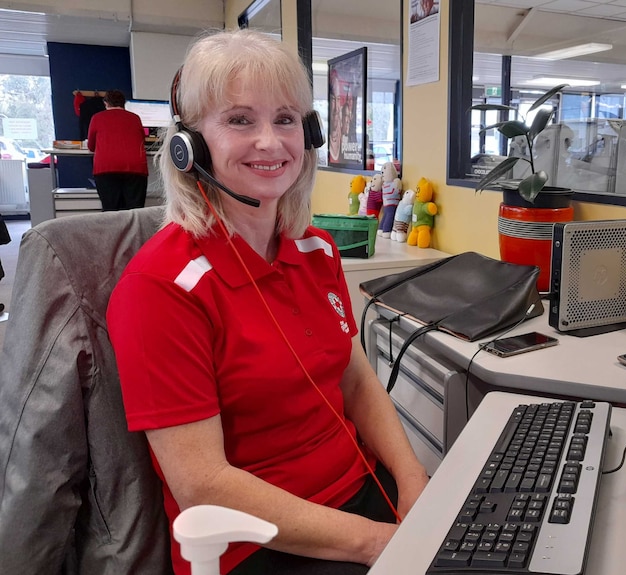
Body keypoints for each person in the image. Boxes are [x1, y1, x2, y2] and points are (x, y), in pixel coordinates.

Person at [106, 29, 428, 575]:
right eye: (239, 120)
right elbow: (203, 485)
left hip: (362, 499)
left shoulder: (317, 248)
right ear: (189, 145)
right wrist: (375, 543)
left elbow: (354, 380)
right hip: (258, 543)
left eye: (285, 119)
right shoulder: (159, 288)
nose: (271, 142)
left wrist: (414, 479)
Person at [86, 89, 149, 210]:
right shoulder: (135, 118)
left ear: (106, 103)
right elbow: (142, 140)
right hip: (135, 169)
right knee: (135, 211)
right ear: (123, 103)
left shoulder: (97, 118)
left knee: (111, 212)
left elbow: (91, 146)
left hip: (106, 168)